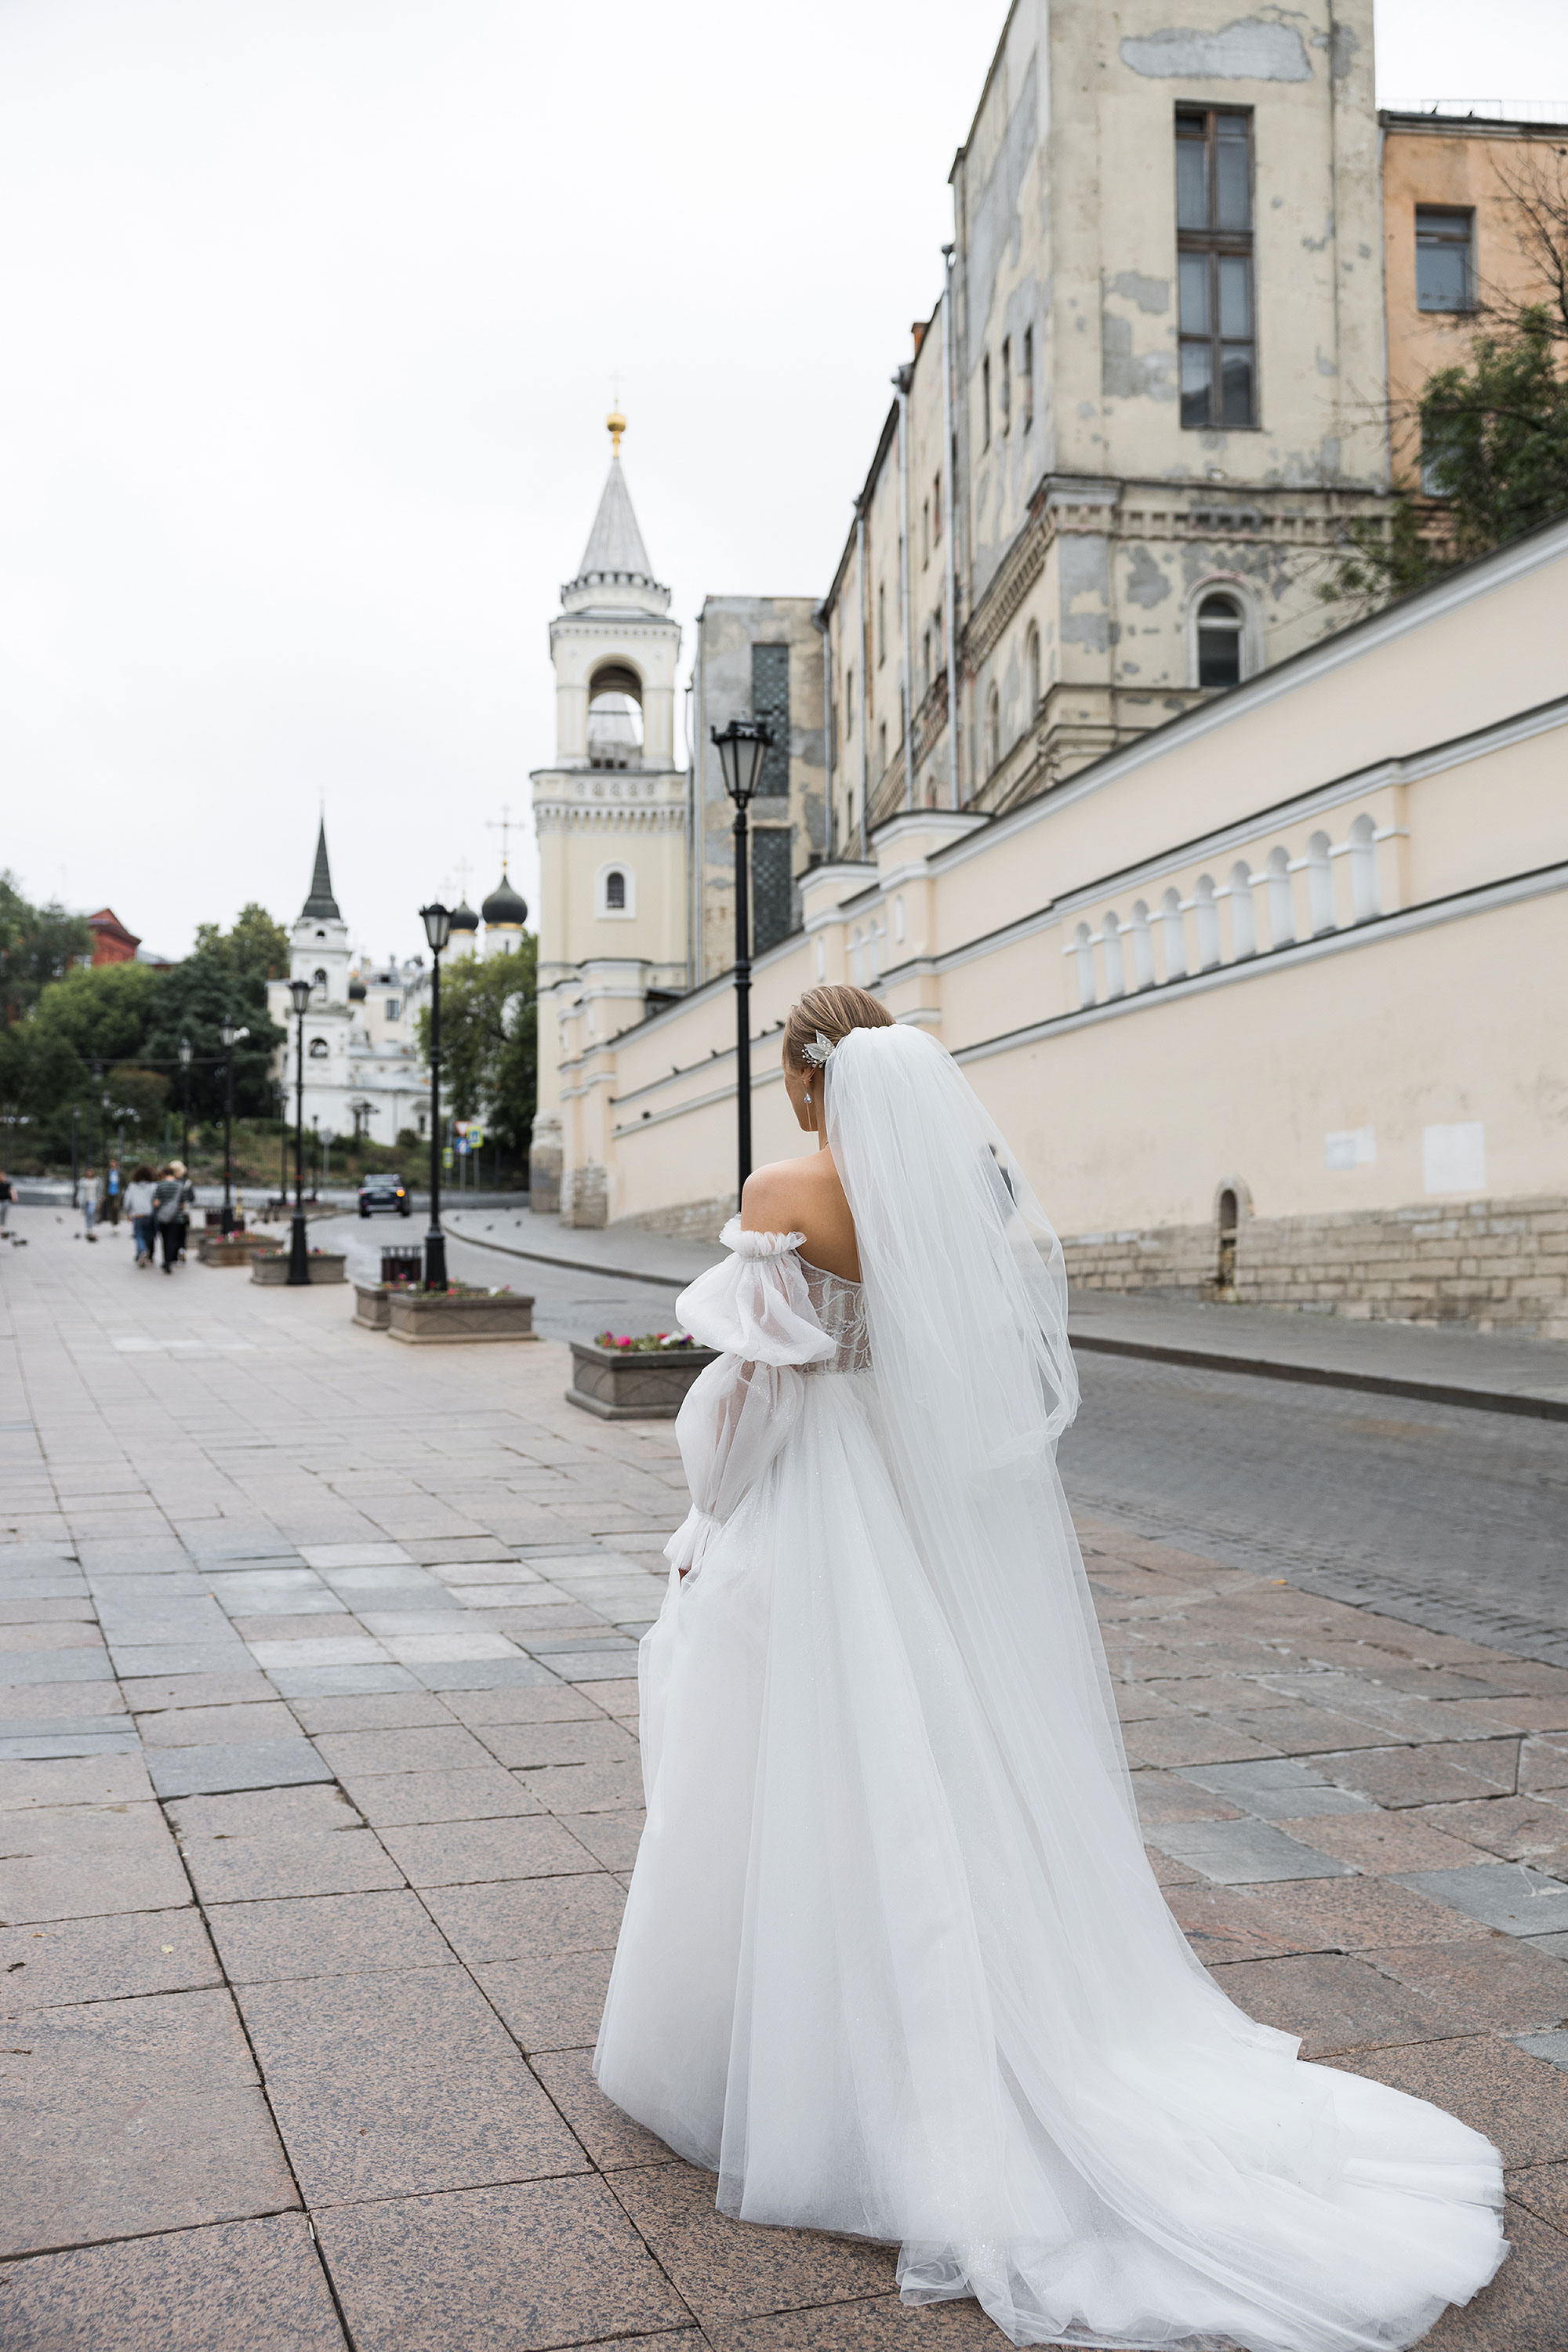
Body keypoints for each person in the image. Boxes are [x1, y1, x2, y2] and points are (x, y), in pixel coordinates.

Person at [595, 985, 1505, 2352]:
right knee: (939, 1772)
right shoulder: (954, 1195)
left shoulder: (785, 1182)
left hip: (816, 1521)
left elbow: (751, 1403)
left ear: (804, 1077)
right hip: (915, 1515)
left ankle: (790, 2069)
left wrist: (701, 1514)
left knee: (798, 1773)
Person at [151, 1164, 184, 1274]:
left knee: (165, 1239)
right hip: (177, 1217)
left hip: (163, 1217)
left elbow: (156, 1202)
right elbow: (183, 1204)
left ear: (164, 1174)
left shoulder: (160, 1185)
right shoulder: (180, 1185)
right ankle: (171, 1260)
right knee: (173, 1239)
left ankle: (166, 1261)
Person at [125, 1166, 157, 1266]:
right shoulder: (153, 1186)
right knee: (148, 1235)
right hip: (149, 1214)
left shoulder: (132, 1186)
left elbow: (127, 1201)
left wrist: (129, 1213)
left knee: (138, 1235)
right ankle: (146, 1252)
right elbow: (155, 1200)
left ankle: (142, 1251)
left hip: (137, 1215)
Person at [79, 1167, 99, 1241]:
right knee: (87, 1215)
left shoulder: (97, 1181)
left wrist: (99, 1201)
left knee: (91, 1212)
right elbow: (80, 1191)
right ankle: (88, 1229)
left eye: (91, 1172)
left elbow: (99, 1191)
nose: (90, 1174)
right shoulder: (83, 1181)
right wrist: (79, 1199)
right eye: (88, 1172)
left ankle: (91, 1227)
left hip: (93, 1200)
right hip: (85, 1200)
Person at [105, 1158, 122, 1225]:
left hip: (117, 1193)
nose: (113, 1167)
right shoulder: (108, 1173)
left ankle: (116, 1222)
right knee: (111, 1209)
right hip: (110, 1193)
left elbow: (124, 1183)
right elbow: (106, 1184)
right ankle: (113, 1223)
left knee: (116, 1208)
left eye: (114, 1165)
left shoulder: (120, 1173)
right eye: (112, 1165)